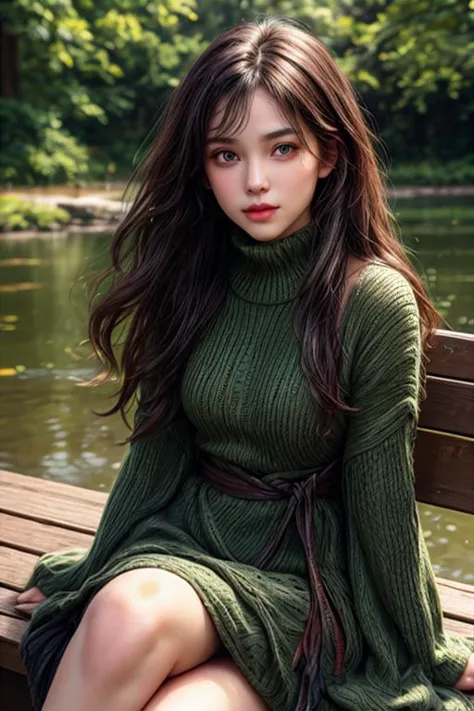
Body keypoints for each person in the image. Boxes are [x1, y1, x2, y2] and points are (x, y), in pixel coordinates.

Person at [16, 15, 474, 711]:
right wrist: (95, 564)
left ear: (328, 153)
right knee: (120, 617)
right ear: (201, 167)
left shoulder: (373, 301)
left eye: (281, 148)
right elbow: (158, 449)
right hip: (187, 544)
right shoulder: (195, 275)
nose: (254, 181)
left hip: (310, 584)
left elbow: (381, 496)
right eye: (225, 155)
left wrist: (430, 650)